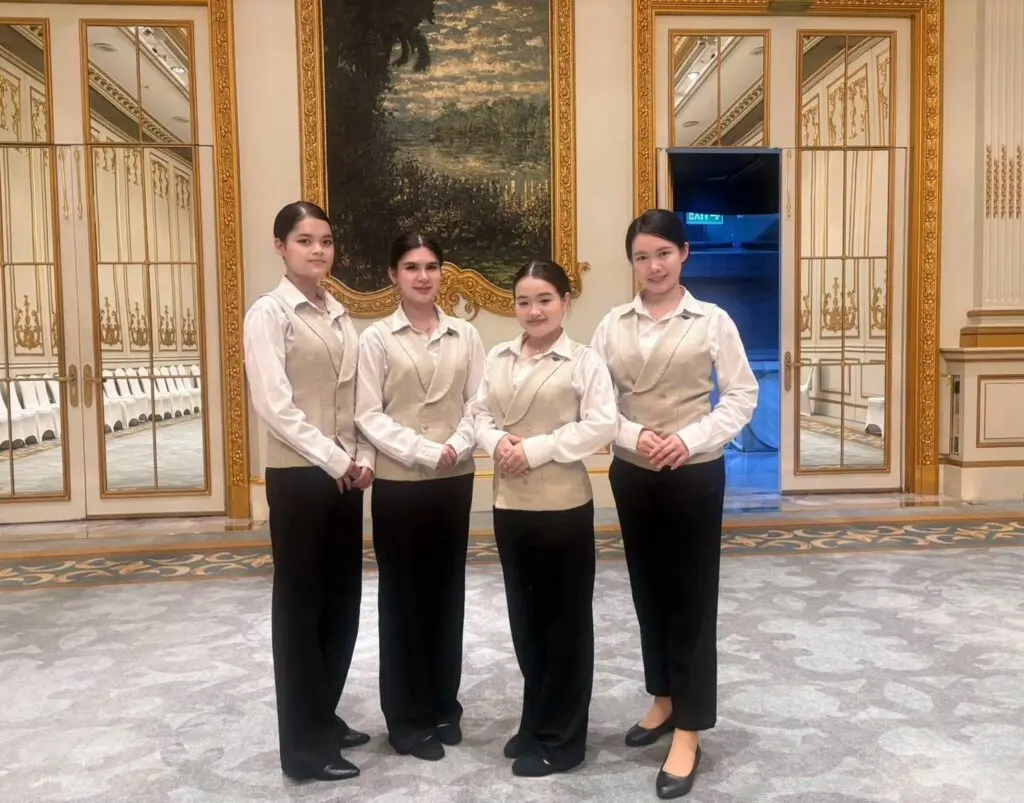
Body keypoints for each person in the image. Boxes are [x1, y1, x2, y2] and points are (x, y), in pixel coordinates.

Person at [590, 208, 758, 799]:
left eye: (663, 253)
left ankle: (689, 728)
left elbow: (741, 395)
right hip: (633, 473)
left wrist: (688, 439)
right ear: (632, 263)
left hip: (694, 473)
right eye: (642, 256)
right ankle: (662, 697)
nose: (654, 265)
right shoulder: (611, 324)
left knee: (691, 599)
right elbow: (595, 403)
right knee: (648, 592)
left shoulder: (712, 320)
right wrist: (638, 437)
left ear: (684, 253)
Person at [243, 201, 374, 783]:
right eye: (304, 240)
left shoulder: (339, 313)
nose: (318, 250)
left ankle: (323, 714)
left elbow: (353, 399)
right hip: (300, 475)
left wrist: (360, 457)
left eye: (325, 240)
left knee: (340, 601)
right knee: (300, 609)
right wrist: (335, 458)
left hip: (344, 475)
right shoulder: (269, 314)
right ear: (280, 247)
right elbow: (274, 405)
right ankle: (302, 747)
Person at [471, 259, 618, 778]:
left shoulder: (583, 362)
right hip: (509, 506)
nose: (533, 311)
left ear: (565, 302)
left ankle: (564, 739)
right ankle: (535, 720)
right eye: (524, 301)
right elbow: (477, 414)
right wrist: (496, 442)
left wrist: (533, 450)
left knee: (565, 625)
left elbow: (601, 424)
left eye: (544, 300)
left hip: (562, 507)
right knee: (525, 621)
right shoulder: (498, 356)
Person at [355, 232, 485, 761]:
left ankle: (442, 705)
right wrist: (425, 451)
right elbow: (368, 414)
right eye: (411, 267)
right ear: (393, 275)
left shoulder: (466, 334)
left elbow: (480, 403)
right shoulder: (376, 339)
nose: (423, 276)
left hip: (454, 478)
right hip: (401, 483)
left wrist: (457, 444)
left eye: (431, 266)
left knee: (447, 594)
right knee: (404, 600)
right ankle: (406, 719)